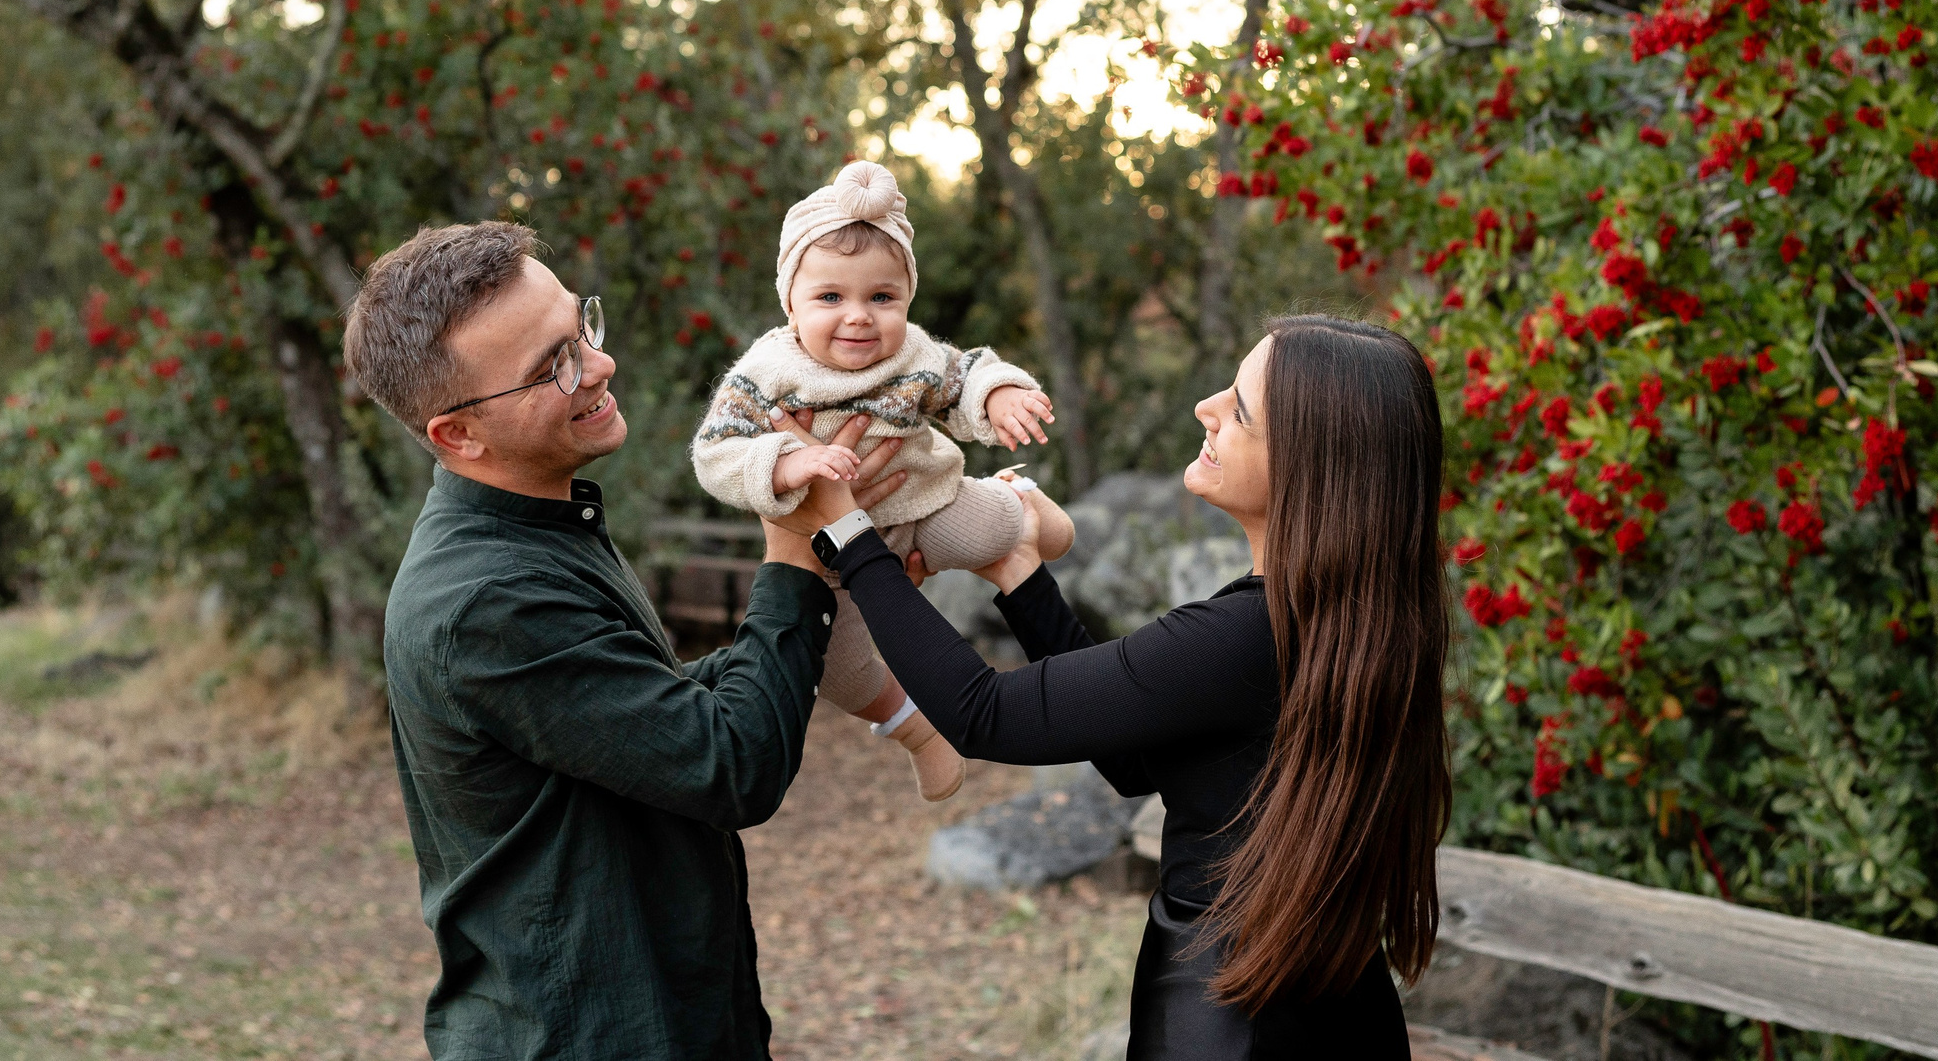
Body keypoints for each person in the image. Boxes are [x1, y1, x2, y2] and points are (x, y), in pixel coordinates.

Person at [790, 315, 1451, 1058]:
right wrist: (1020, 576)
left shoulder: (1242, 634)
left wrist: (848, 537)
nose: (1206, 406)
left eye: (1238, 408)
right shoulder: (1360, 618)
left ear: (1309, 465)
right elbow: (1141, 756)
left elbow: (985, 713)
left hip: (1228, 1021)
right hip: (1332, 1011)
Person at [349, 221, 909, 1061]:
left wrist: (831, 596)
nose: (599, 365)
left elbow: (645, 711)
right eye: (553, 366)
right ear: (458, 434)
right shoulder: (487, 601)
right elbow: (730, 763)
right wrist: (793, 552)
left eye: (582, 328)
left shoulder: (543, 527)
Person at [690, 159, 1072, 801]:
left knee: (996, 532)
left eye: (882, 297)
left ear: (907, 298)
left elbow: (964, 372)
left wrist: (1000, 392)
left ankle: (1021, 508)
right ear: (791, 301)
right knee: (835, 670)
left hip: (924, 505)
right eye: (831, 297)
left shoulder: (913, 353)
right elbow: (715, 451)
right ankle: (918, 729)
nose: (860, 317)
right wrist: (787, 464)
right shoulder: (766, 373)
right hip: (831, 544)